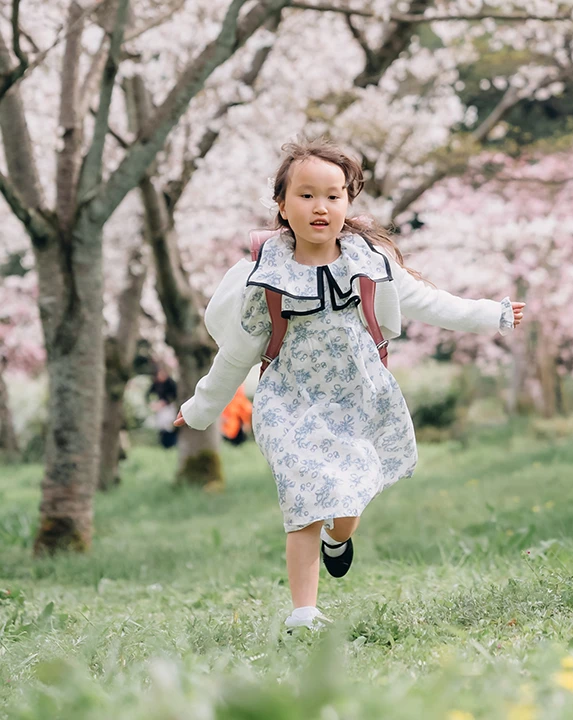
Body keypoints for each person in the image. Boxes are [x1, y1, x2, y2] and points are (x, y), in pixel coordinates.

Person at [174, 138, 525, 630]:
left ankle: (339, 537)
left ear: (348, 203)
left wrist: (493, 313)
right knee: (303, 499)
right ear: (282, 204)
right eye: (307, 195)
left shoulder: (368, 264)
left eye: (334, 196)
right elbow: (237, 351)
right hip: (289, 402)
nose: (321, 207)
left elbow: (429, 301)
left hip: (357, 400)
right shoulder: (266, 276)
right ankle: (304, 611)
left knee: (346, 499)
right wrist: (200, 408)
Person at [147, 366, 179, 449]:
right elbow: (148, 394)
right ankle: (164, 444)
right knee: (161, 426)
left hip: (169, 407)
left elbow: (174, 396)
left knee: (169, 426)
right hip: (160, 408)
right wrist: (152, 403)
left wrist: (165, 402)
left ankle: (172, 444)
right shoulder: (156, 384)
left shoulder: (171, 383)